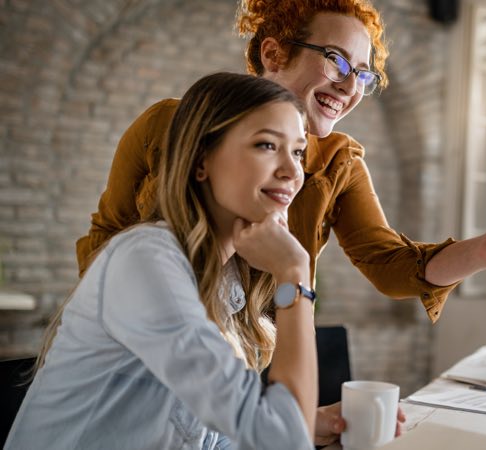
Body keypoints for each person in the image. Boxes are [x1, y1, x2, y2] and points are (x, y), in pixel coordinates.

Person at [74, 0, 486, 445]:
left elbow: (389, 264)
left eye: (363, 74)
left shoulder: (338, 162)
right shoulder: (170, 132)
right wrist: (137, 323)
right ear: (273, 54)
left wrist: (482, 253)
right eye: (336, 60)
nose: (349, 85)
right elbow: (107, 238)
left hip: (233, 380)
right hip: (143, 364)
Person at [7, 73, 319, 449]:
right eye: (267, 145)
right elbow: (284, 440)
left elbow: (206, 437)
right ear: (201, 160)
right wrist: (294, 274)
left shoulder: (226, 282)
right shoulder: (144, 261)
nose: (292, 171)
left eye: (298, 151)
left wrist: (301, 421)